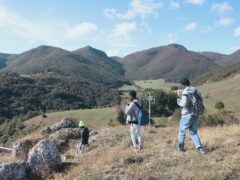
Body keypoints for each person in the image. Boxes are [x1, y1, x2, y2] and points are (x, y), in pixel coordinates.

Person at [177, 78, 205, 155]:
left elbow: (184, 104)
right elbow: (202, 99)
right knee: (194, 133)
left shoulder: (185, 91)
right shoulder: (195, 90)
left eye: (181, 84)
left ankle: (181, 149)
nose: (181, 86)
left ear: (183, 85)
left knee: (182, 132)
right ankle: (200, 149)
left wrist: (178, 101)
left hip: (186, 115)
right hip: (195, 114)